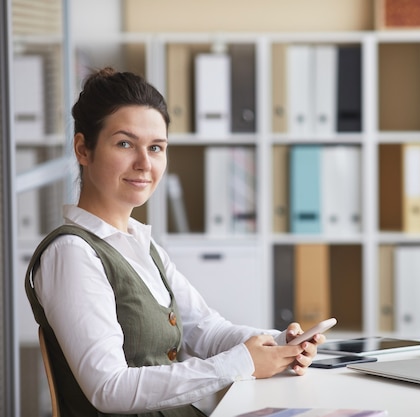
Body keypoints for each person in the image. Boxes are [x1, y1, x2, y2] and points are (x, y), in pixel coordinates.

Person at [25, 67, 325, 417]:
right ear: (83, 149)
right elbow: (109, 389)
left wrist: (278, 343)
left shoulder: (142, 246)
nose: (144, 164)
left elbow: (207, 331)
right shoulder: (71, 254)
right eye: (125, 144)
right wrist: (241, 363)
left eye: (156, 148)